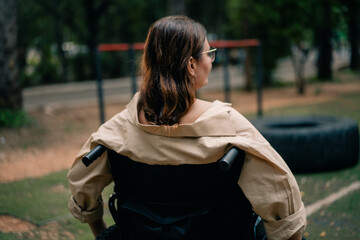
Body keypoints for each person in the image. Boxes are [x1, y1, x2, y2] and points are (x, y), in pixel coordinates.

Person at [67, 15, 306, 240]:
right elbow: (283, 201)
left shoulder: (117, 129)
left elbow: (82, 185)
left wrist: (102, 233)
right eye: (209, 53)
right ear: (192, 65)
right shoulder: (230, 126)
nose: (211, 60)